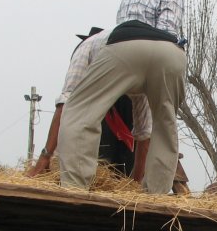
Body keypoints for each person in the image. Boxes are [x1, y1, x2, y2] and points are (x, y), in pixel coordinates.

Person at [57, 0, 197, 194]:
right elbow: (167, 32)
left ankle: (74, 186)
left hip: (125, 48)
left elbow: (125, 30)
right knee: (165, 122)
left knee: (80, 109)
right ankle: (157, 193)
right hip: (167, 52)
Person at [27, 26, 152, 181]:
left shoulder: (84, 50)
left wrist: (45, 156)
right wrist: (135, 186)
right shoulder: (137, 64)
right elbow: (144, 133)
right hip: (109, 151)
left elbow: (64, 105)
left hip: (112, 143)